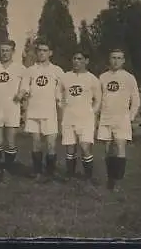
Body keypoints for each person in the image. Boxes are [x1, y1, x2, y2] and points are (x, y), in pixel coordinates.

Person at [19, 38, 64, 183]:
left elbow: (63, 90)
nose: (42, 53)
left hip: (50, 112)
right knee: (36, 143)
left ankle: (50, 173)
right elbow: (24, 88)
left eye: (45, 51)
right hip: (33, 111)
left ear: (50, 53)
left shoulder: (57, 70)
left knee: (51, 144)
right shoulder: (30, 70)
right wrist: (20, 95)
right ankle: (37, 172)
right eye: (39, 50)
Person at [97, 48, 141, 191]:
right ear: (109, 59)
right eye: (113, 58)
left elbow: (136, 101)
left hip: (122, 119)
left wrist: (130, 117)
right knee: (108, 149)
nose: (115, 61)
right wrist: (95, 116)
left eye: (118, 58)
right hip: (105, 118)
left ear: (123, 61)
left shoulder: (129, 78)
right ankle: (110, 178)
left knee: (120, 148)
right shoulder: (102, 77)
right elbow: (98, 98)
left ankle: (118, 181)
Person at [59, 49, 101, 185]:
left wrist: (91, 112)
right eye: (74, 59)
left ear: (86, 61)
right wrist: (63, 106)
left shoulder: (92, 79)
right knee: (70, 147)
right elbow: (58, 94)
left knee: (84, 147)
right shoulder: (65, 77)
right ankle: (69, 175)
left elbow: (98, 99)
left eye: (80, 59)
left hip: (86, 118)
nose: (76, 62)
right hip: (69, 117)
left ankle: (88, 177)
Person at [0, 39, 25, 182]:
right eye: (2, 50)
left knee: (10, 142)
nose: (4, 53)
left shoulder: (20, 69)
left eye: (7, 50)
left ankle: (8, 170)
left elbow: (25, 86)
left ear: (13, 52)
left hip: (12, 108)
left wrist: (21, 94)